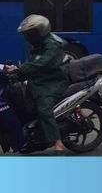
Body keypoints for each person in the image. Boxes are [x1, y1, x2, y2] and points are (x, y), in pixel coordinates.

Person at [4, 15, 69, 155]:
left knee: (43, 108)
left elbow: (40, 64)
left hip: (53, 81)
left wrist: (19, 71)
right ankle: (30, 138)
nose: (27, 36)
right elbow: (31, 65)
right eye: (26, 34)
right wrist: (11, 76)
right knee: (19, 101)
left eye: (30, 33)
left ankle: (58, 143)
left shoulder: (52, 45)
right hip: (40, 79)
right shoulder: (37, 44)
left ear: (41, 30)